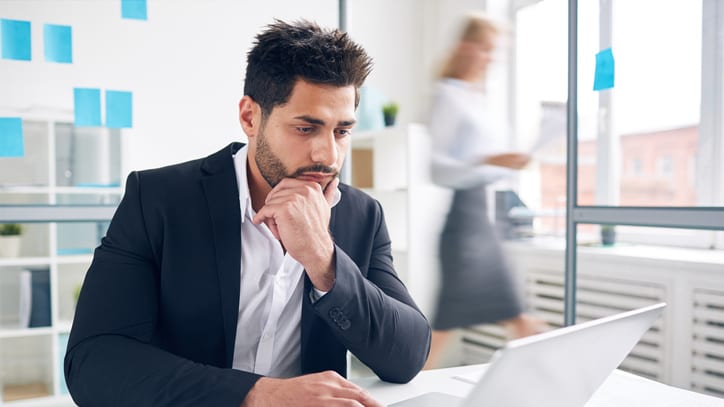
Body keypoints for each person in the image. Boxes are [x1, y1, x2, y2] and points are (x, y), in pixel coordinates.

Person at [65, 19, 431, 407]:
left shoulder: (362, 215)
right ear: (250, 118)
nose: (328, 155)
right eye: (306, 129)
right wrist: (259, 394)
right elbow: (93, 359)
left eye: (341, 131)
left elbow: (406, 356)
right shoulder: (158, 199)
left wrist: (323, 259)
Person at [424, 13, 546, 369]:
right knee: (448, 324)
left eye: (496, 51)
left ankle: (553, 383)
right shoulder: (447, 95)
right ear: (467, 47)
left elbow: (481, 163)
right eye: (487, 49)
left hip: (485, 220)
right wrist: (493, 158)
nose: (492, 58)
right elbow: (437, 168)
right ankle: (403, 388)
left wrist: (507, 162)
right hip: (464, 225)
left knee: (517, 314)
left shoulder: (477, 98)